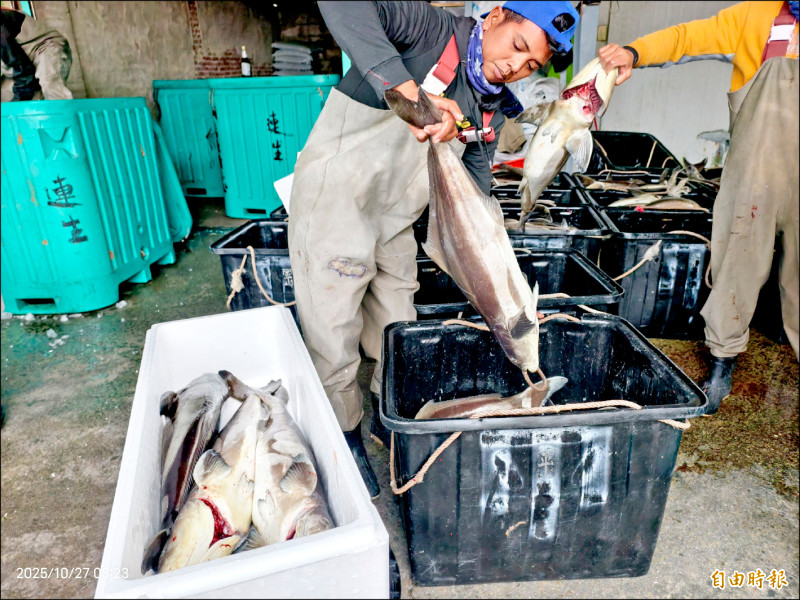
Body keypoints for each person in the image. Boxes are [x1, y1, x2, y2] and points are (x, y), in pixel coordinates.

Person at [288, 0, 579, 499]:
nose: (515, 66)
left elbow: (477, 193)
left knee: (396, 324)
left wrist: (496, 279)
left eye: (530, 65)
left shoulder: (488, 107)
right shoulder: (427, 29)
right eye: (517, 46)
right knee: (331, 328)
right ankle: (344, 433)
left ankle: (387, 417)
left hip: (395, 222)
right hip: (337, 204)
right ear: (494, 19)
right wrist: (411, 96)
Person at [598, 1, 799, 414]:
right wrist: (635, 52)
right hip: (756, 174)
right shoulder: (757, 17)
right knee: (735, 265)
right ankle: (722, 362)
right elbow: (686, 38)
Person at [1, 7, 73, 102]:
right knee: (4, 97)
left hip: (45, 47)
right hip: (22, 62)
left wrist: (17, 105)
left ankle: (64, 115)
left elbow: (24, 75)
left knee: (50, 86)